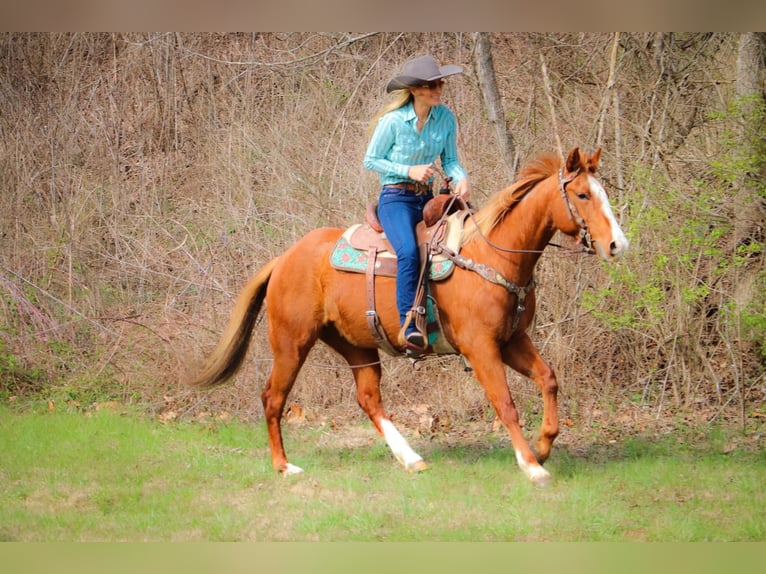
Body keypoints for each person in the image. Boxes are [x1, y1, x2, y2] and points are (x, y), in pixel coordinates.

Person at [363, 55, 471, 356]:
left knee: (464, 243)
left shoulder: (446, 118)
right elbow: (370, 159)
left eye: (440, 83)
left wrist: (461, 178)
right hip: (396, 198)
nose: (439, 88)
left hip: (428, 198)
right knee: (409, 253)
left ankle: (460, 320)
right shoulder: (393, 122)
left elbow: (450, 160)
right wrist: (407, 170)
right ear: (415, 90)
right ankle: (409, 326)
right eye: (432, 85)